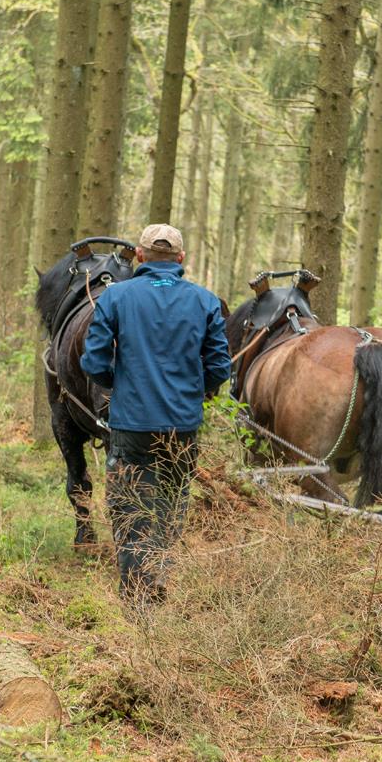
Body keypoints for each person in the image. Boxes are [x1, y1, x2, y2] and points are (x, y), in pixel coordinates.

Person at [80, 224, 231, 604]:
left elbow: (93, 361)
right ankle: (158, 576)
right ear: (181, 260)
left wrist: (121, 383)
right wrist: (195, 394)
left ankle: (135, 593)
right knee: (171, 502)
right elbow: (219, 368)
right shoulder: (206, 301)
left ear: (141, 256)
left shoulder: (116, 298)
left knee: (129, 506)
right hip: (182, 427)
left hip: (131, 424)